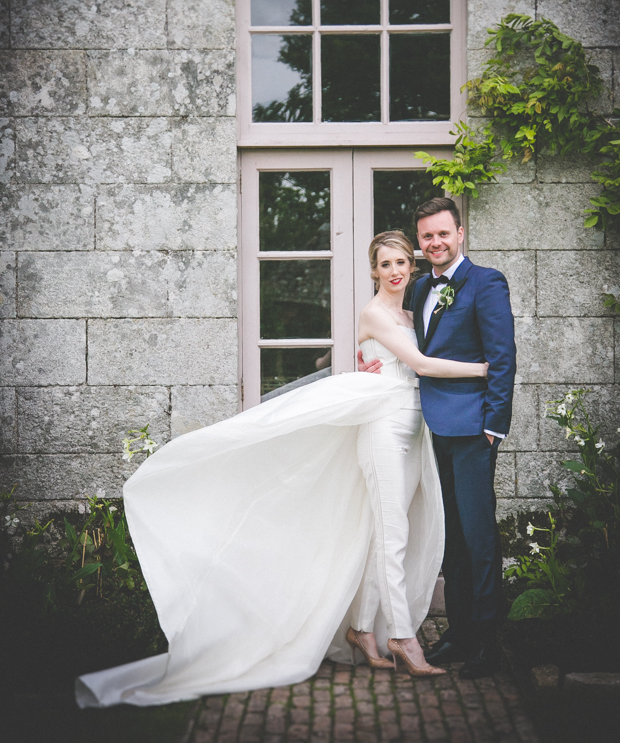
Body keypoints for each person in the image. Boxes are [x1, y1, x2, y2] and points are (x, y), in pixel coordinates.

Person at [76, 231, 488, 708]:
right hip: (382, 430)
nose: (396, 271)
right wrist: (485, 369)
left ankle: (360, 630)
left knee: (387, 534)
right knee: (392, 534)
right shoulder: (374, 313)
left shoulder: (410, 313)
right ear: (373, 270)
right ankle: (402, 638)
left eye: (402, 262)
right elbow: (418, 362)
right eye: (386, 264)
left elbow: (407, 362)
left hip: (417, 427)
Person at [359, 199, 516, 679]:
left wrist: (494, 425)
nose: (435, 243)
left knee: (479, 537)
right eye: (426, 237)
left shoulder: (486, 282)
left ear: (460, 233)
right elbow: (403, 349)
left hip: (472, 431)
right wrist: (364, 363)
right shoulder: (421, 287)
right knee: (453, 542)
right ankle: (461, 634)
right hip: (429, 430)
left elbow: (503, 357)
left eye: (442, 234)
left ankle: (489, 643)